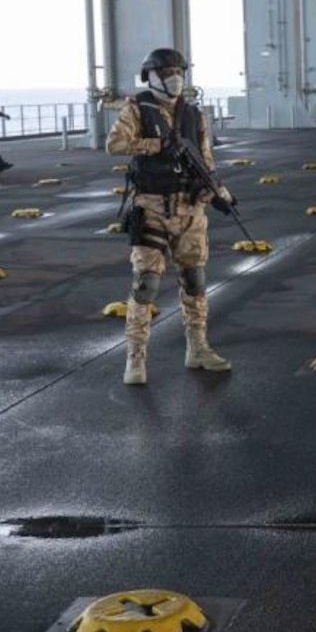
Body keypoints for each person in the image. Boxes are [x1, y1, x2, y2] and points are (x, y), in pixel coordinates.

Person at [106, 48, 236, 385]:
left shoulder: (194, 115)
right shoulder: (137, 108)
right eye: (166, 72)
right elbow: (115, 144)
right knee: (146, 283)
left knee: (195, 281)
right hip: (151, 207)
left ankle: (198, 348)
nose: (174, 77)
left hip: (190, 210)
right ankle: (135, 359)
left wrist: (213, 189)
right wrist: (157, 146)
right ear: (150, 76)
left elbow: (206, 161)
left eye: (178, 71)